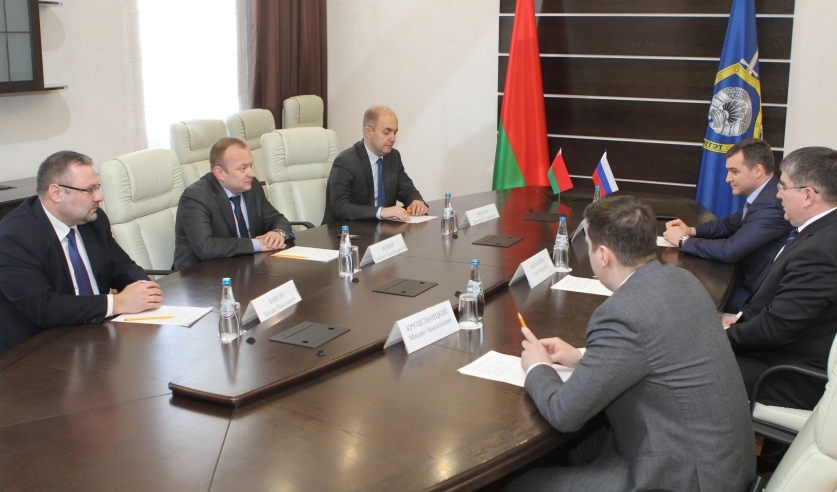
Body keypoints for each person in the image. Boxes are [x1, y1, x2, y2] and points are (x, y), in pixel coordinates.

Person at [509, 196, 755, 491]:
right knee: (578, 446)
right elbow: (653, 351)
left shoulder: (622, 314)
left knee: (520, 484)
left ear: (603, 255)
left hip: (686, 478)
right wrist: (582, 358)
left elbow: (564, 414)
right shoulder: (683, 280)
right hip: (722, 462)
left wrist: (537, 367)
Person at [0, 151, 163, 354]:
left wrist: (145, 289)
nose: (99, 197)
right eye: (89, 190)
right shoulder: (14, 237)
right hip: (39, 350)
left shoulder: (93, 219)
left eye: (98, 188)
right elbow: (43, 308)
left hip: (97, 336)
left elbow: (121, 265)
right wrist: (117, 303)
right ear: (56, 193)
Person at [724, 146, 837, 410]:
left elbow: (774, 330)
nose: (778, 194)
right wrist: (739, 322)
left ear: (807, 195)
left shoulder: (820, 251)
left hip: (786, 373)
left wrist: (719, 337)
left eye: (783, 186)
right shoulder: (822, 231)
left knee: (682, 369)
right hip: (781, 354)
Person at [664, 138, 791, 313]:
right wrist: (691, 230)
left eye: (734, 171)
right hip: (743, 279)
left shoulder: (771, 203)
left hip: (751, 296)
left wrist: (683, 240)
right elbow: (730, 223)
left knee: (687, 296)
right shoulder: (764, 194)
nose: (727, 178)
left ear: (758, 170)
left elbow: (729, 251)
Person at [174, 137, 294, 271]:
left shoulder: (252, 187)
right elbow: (206, 247)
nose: (251, 174)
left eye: (251, 165)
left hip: (244, 268)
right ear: (220, 173)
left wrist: (278, 233)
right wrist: (256, 244)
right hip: (199, 276)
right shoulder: (196, 197)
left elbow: (278, 219)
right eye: (243, 168)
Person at [322, 106, 427, 223]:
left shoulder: (393, 157)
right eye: (387, 132)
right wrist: (380, 212)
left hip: (381, 228)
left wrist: (415, 200)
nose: (393, 138)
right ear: (369, 132)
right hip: (346, 229)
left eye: (395, 132)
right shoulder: (346, 161)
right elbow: (340, 207)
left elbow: (406, 188)